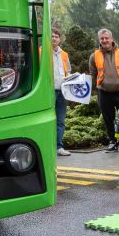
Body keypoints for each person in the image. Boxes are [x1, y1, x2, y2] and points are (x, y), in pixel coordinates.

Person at [89, 29, 119, 153]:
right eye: (102, 38)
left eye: (106, 38)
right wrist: (97, 87)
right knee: (108, 119)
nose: (104, 40)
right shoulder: (94, 56)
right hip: (104, 92)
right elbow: (93, 73)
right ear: (99, 40)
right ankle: (113, 142)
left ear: (112, 39)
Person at [50, 28, 72, 156]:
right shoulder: (42, 51)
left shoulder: (64, 54)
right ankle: (48, 146)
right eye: (52, 36)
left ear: (60, 39)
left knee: (60, 121)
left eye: (56, 36)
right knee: (49, 120)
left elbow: (68, 71)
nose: (54, 38)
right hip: (48, 92)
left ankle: (59, 147)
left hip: (62, 91)